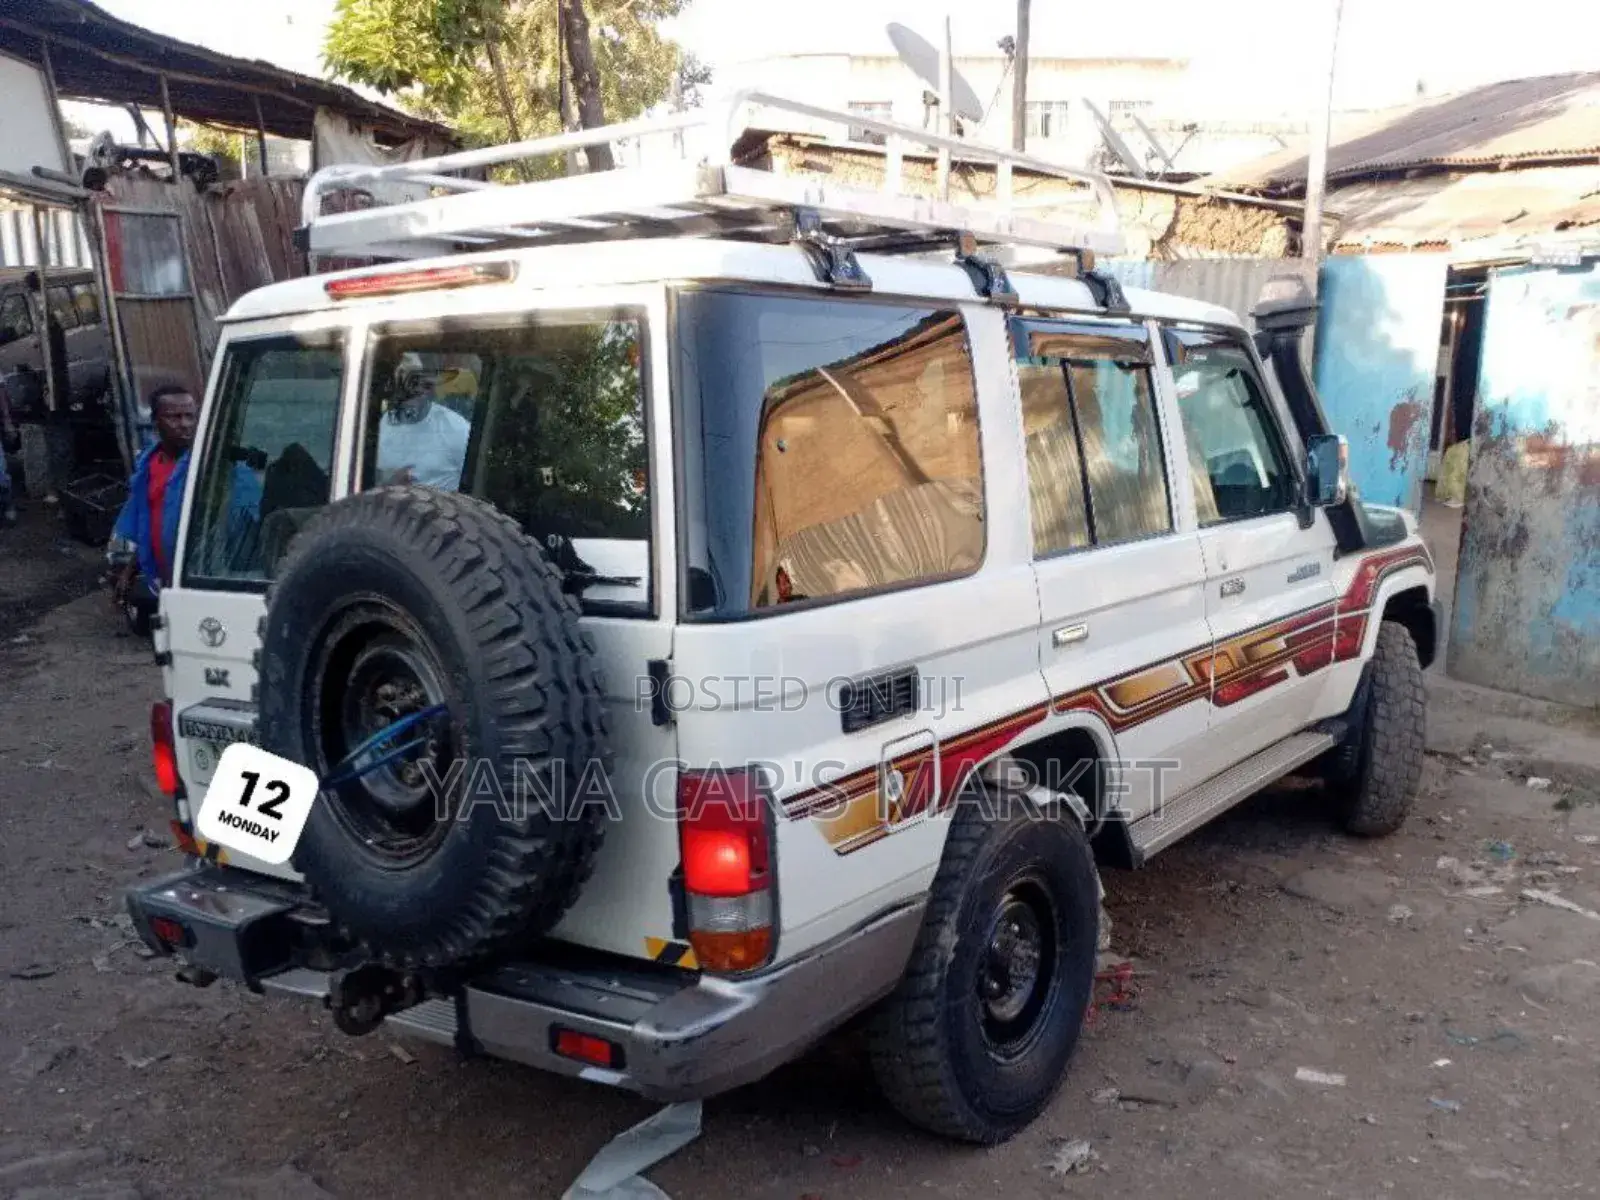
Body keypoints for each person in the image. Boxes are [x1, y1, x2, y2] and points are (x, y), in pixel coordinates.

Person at [110, 384, 200, 604]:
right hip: (163, 581)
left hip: (197, 581)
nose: (185, 425)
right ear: (155, 423)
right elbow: (146, 526)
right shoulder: (147, 468)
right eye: (174, 417)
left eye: (190, 416)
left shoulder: (209, 467)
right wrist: (130, 570)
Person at [375, 355, 471, 491]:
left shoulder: (457, 429)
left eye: (423, 384)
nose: (416, 391)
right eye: (409, 384)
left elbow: (476, 486)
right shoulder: (379, 427)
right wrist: (388, 482)